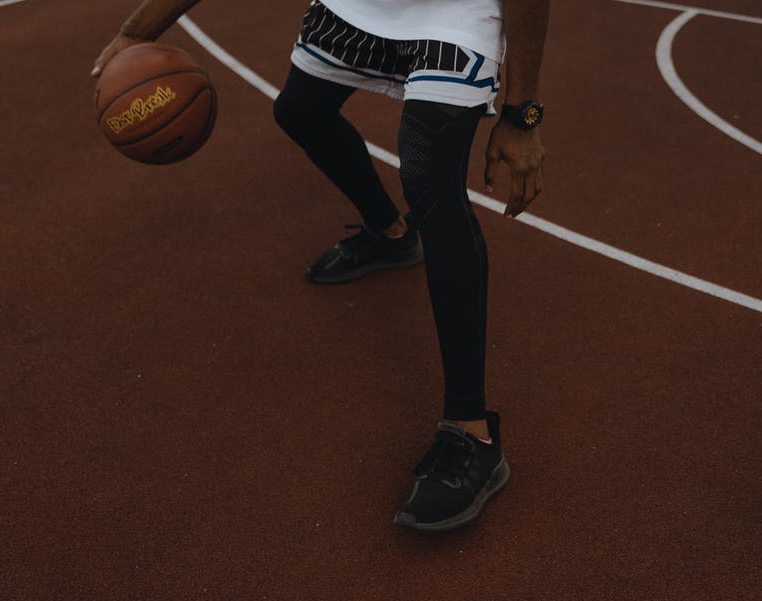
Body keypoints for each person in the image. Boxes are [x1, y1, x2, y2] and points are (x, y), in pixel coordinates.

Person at [93, 0, 549, 531]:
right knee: (299, 110)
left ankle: (472, 431)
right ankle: (391, 233)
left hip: (455, 12)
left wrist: (523, 114)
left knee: (429, 181)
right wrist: (134, 32)